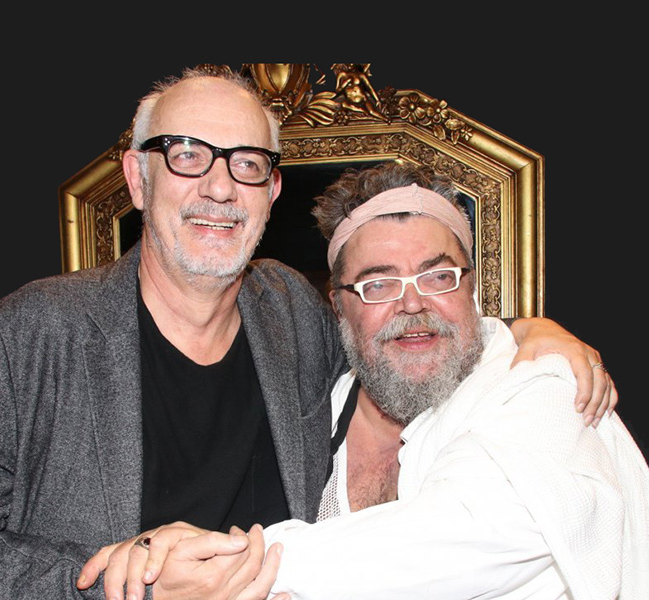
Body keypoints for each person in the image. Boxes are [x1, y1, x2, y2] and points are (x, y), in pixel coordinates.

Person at [0, 69, 616, 600]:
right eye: (187, 154)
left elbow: (401, 329)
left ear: (271, 192)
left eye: (247, 163)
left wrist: (526, 332)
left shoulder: (291, 310)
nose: (219, 186)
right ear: (137, 178)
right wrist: (116, 581)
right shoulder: (30, 333)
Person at [128, 162, 648, 599]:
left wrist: (232, 569)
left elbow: (478, 531)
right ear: (339, 307)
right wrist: (154, 556)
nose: (413, 303)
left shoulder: (543, 381)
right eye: (378, 283)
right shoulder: (313, 410)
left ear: (470, 288)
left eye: (438, 276)